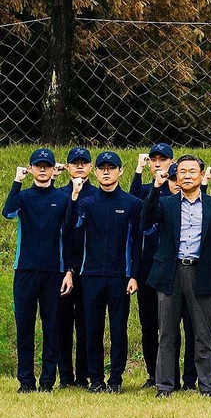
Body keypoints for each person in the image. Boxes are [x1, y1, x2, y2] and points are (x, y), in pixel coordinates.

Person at [143, 154, 211, 397]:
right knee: (167, 334)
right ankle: (164, 386)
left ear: (202, 176)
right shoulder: (167, 204)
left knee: (204, 334)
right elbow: (147, 218)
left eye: (193, 171)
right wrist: (156, 187)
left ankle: (206, 387)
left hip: (201, 272)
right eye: (182, 171)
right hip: (170, 273)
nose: (187, 175)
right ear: (176, 176)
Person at [64, 151, 142, 392]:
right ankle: (95, 380)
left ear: (121, 171)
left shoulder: (132, 203)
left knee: (118, 330)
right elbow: (71, 229)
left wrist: (134, 275)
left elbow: (138, 242)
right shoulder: (86, 202)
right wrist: (74, 197)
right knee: (92, 329)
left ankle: (115, 380)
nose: (106, 172)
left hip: (120, 276)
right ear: (95, 172)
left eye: (111, 167)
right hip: (91, 276)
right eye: (102, 167)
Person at [6, 149, 71, 392]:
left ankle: (47, 381)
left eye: (47, 165)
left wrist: (69, 271)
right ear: (31, 168)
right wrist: (17, 180)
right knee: (25, 327)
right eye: (38, 165)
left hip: (54, 270)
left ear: (54, 169)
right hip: (25, 270)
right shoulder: (23, 197)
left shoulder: (63, 198)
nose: (42, 169)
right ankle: (25, 381)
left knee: (51, 326)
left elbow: (72, 230)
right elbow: (8, 212)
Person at [131, 142, 179, 388]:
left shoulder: (177, 189)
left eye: (163, 158)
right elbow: (133, 201)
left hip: (174, 266)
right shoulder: (147, 190)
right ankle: (153, 374)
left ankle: (177, 375)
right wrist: (138, 171)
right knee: (149, 323)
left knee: (172, 325)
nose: (158, 162)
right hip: (147, 265)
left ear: (172, 162)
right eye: (154, 159)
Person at [56, 146, 95, 388]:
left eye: (84, 162)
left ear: (90, 166)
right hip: (61, 268)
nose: (79, 166)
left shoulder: (97, 195)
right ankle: (65, 376)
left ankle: (83, 376)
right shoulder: (59, 194)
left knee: (85, 323)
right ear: (67, 166)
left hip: (87, 268)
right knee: (62, 323)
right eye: (74, 162)